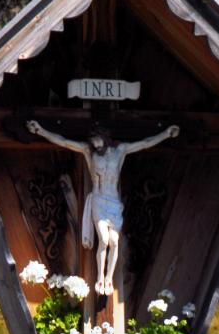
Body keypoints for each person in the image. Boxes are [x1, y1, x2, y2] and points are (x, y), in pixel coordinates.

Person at [25, 119, 179, 297]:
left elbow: (144, 144)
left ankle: (108, 279)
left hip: (113, 202)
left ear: (105, 138)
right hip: (98, 200)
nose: (95, 144)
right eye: (93, 141)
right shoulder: (88, 152)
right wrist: (41, 131)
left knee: (114, 241)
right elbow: (64, 142)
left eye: (98, 140)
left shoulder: (119, 152)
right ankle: (100, 277)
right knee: (104, 240)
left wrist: (166, 133)